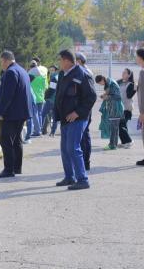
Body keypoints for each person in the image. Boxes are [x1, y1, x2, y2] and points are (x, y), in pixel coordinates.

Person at [54, 49, 97, 190]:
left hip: (78, 118)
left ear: (66, 61)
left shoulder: (82, 74)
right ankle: (69, 177)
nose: (59, 63)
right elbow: (59, 96)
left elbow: (91, 97)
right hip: (65, 118)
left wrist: (77, 113)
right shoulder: (63, 74)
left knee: (73, 148)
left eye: (60, 60)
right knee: (65, 149)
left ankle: (83, 179)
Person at [0, 51, 34, 178]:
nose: (1, 65)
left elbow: (7, 95)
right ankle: (17, 167)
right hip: (20, 113)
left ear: (5, 60)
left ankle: (9, 169)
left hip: (10, 114)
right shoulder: (22, 70)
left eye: (1, 62)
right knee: (16, 140)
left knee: (6, 140)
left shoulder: (10, 72)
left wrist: (1, 112)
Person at [76, 52, 94, 170]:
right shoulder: (87, 70)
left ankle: (85, 162)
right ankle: (85, 162)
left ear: (79, 61)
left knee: (83, 135)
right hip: (86, 107)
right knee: (85, 134)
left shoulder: (83, 72)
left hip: (83, 108)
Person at [96, 75, 124, 151]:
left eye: (100, 83)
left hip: (115, 108)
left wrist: (107, 97)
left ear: (102, 79)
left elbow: (117, 96)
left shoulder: (111, 84)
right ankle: (114, 144)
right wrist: (105, 95)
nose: (101, 84)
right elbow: (111, 94)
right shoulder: (109, 83)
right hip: (114, 108)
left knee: (113, 128)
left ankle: (112, 145)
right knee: (115, 128)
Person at [27, 57, 48, 141]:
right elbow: (45, 86)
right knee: (39, 114)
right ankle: (40, 129)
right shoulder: (43, 76)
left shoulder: (31, 76)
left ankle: (37, 131)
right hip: (41, 96)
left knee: (35, 114)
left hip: (34, 97)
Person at [117, 68, 137, 148]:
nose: (123, 74)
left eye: (125, 73)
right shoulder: (120, 83)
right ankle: (124, 142)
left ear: (129, 75)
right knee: (123, 125)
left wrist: (135, 88)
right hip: (120, 108)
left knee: (121, 125)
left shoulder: (131, 84)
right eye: (123, 72)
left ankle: (129, 141)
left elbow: (129, 95)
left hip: (126, 108)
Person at [42, 65, 60, 137]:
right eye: (50, 70)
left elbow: (52, 89)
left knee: (43, 114)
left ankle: (40, 129)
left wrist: (46, 97)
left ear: (55, 70)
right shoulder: (59, 76)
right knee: (55, 117)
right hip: (57, 100)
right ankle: (52, 132)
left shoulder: (54, 77)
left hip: (50, 100)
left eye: (52, 70)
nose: (51, 72)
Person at [24, 60, 38, 142]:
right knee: (31, 118)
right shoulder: (29, 77)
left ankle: (28, 137)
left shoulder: (28, 77)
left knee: (29, 119)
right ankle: (28, 136)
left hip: (31, 100)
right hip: (34, 98)